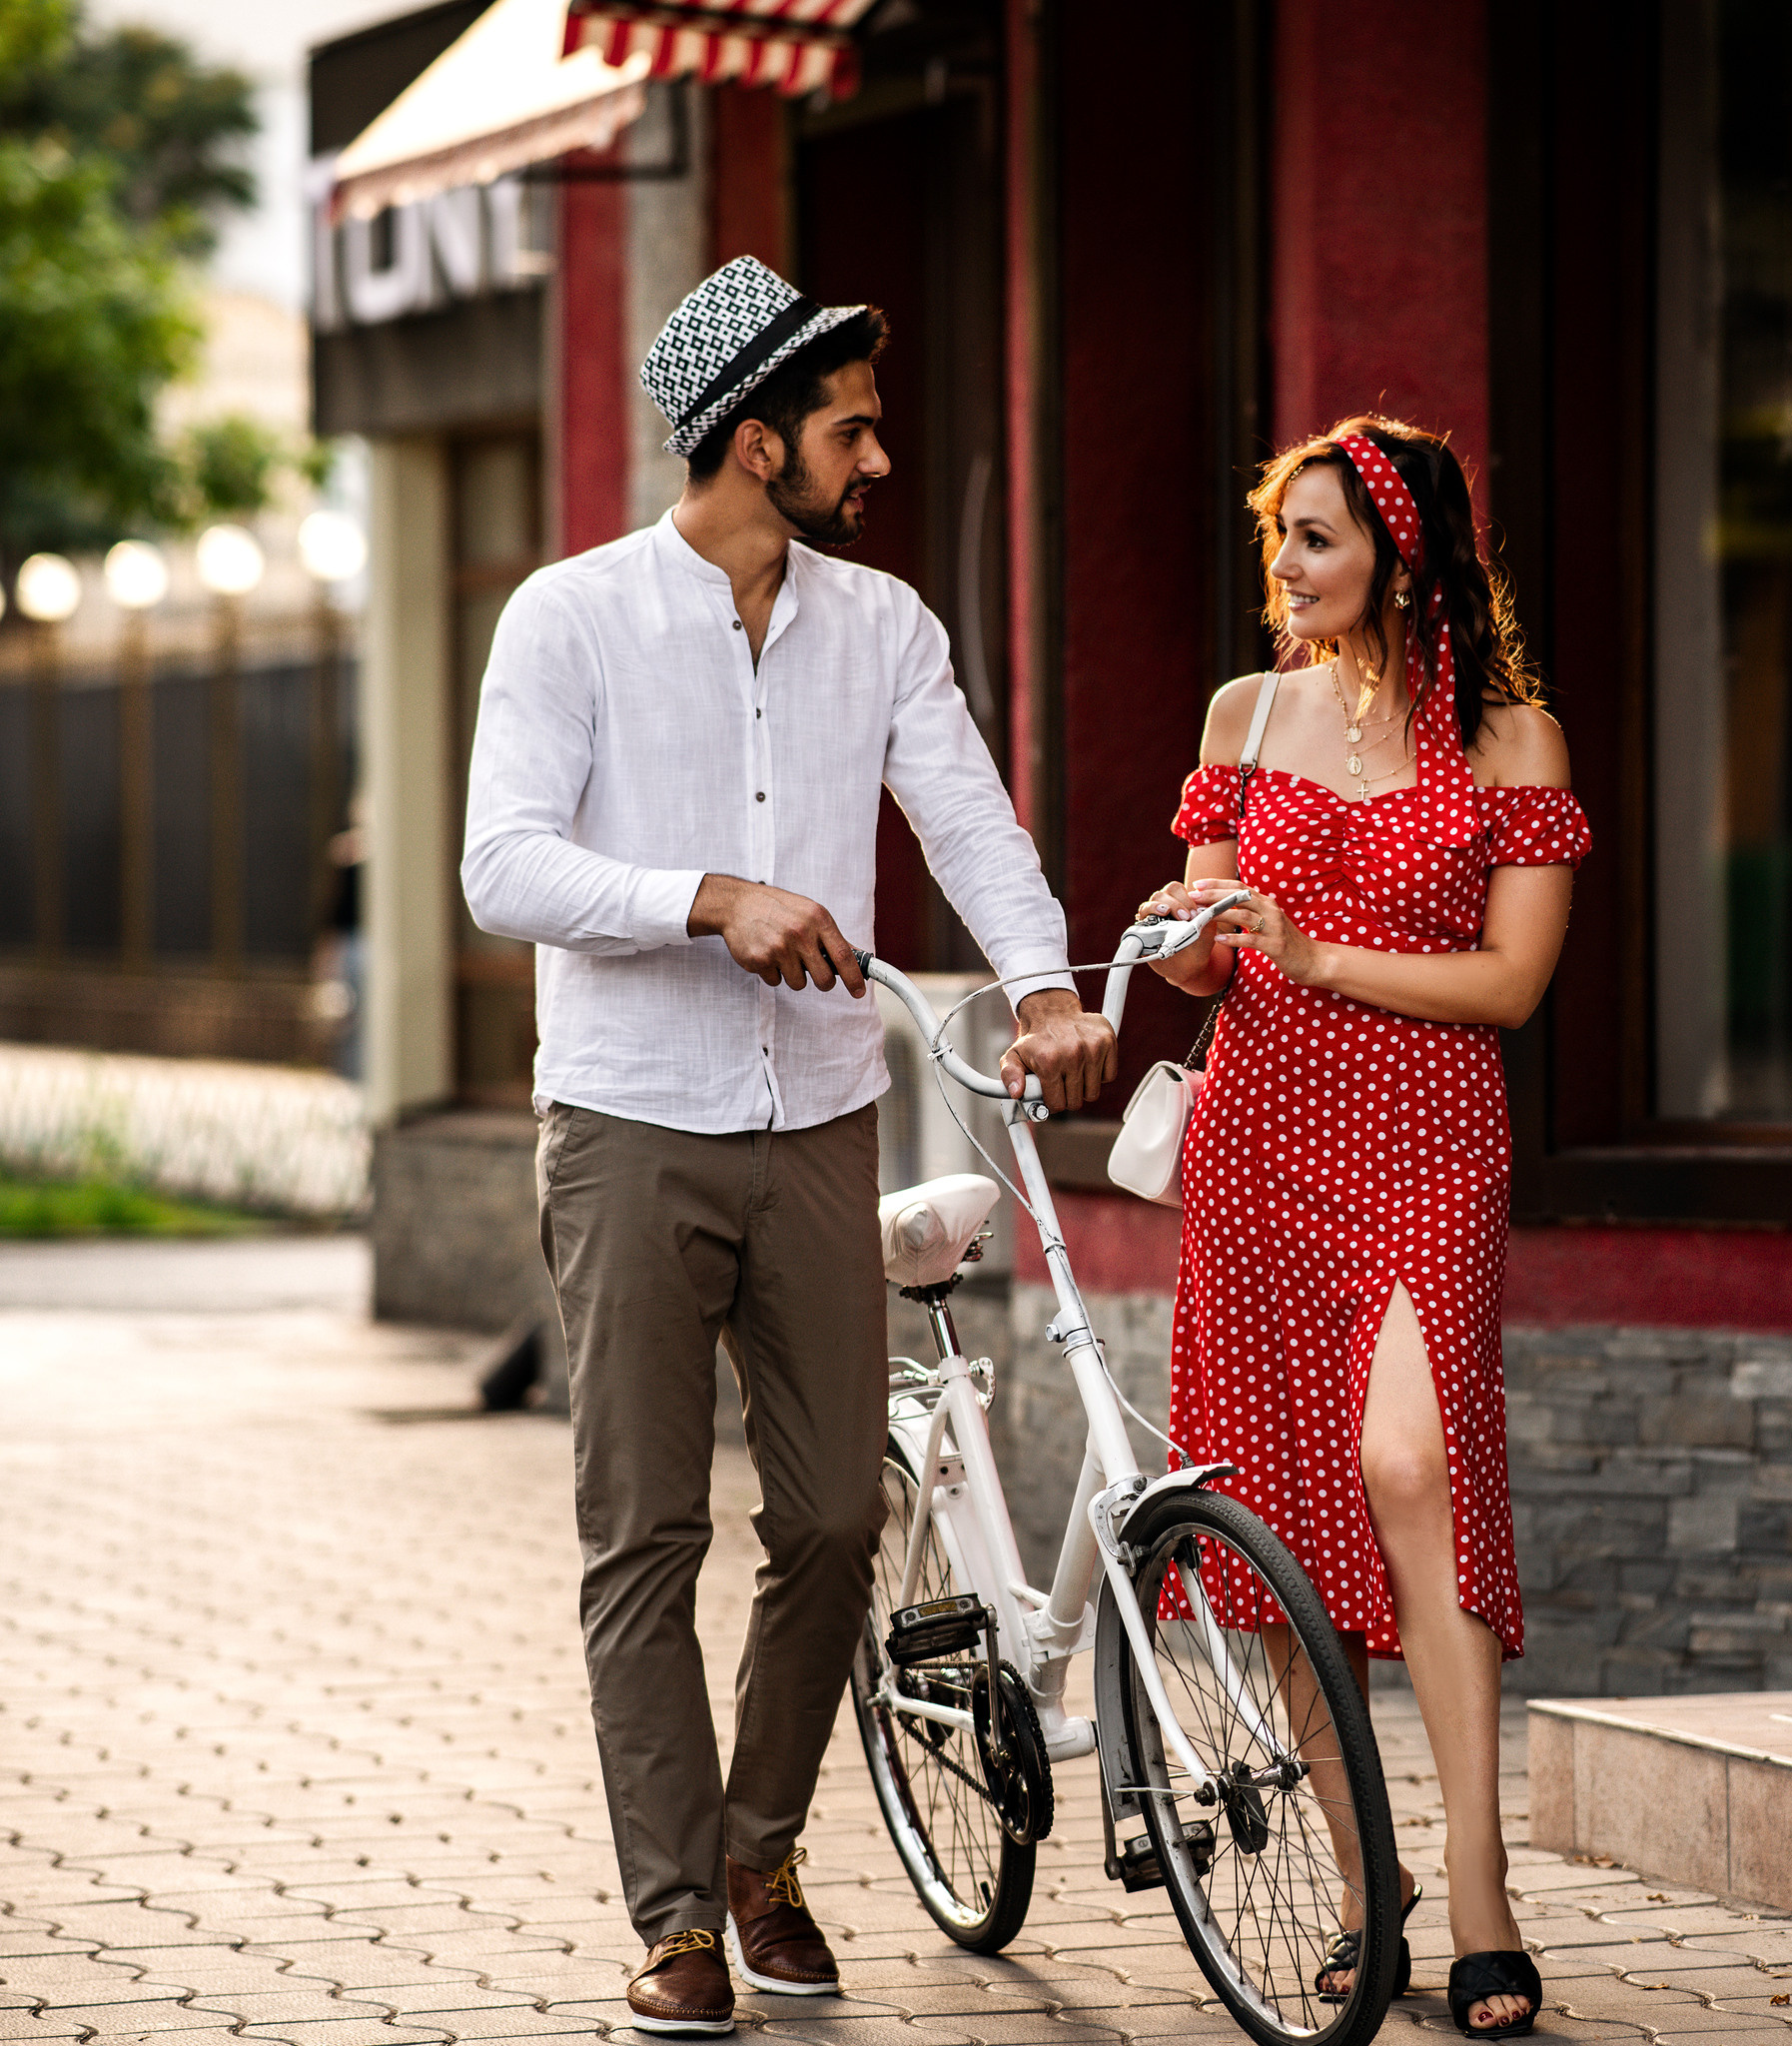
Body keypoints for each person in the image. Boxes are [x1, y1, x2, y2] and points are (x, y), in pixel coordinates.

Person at [460, 257, 1115, 2038]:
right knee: (646, 1532)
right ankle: (681, 1917)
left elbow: (967, 819)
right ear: (756, 441)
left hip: (820, 1116)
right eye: (850, 430)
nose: (878, 457)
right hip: (628, 1124)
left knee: (833, 1514)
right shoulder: (571, 618)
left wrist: (1045, 986)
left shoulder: (885, 625)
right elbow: (501, 864)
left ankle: (763, 1852)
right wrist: (709, 899)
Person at [1138, 418, 1587, 2041]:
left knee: (1412, 1464)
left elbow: (1512, 985)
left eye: (1316, 538)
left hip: (1425, 1142)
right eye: (1280, 536)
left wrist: (1317, 955)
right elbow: (1208, 944)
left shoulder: (1512, 741)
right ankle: (1359, 1886)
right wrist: (1190, 942)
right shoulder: (1244, 714)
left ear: (1402, 556)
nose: (1287, 567)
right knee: (1275, 1511)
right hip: (1258, 1137)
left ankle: (1480, 1883)